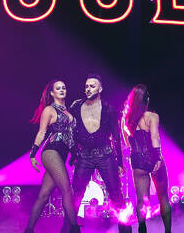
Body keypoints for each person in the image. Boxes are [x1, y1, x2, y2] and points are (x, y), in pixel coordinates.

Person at [64, 74, 131, 233]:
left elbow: (116, 137)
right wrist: (74, 153)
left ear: (100, 88)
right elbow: (70, 130)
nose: (88, 89)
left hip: (106, 155)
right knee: (76, 197)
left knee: (116, 196)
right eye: (86, 86)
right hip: (84, 156)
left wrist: (120, 163)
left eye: (92, 86)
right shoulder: (76, 106)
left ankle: (125, 230)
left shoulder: (108, 109)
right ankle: (69, 230)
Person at [25, 80, 81, 233]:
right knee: (67, 190)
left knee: (44, 195)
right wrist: (32, 155)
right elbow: (42, 132)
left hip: (61, 155)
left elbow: (72, 138)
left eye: (64, 87)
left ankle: (28, 230)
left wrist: (76, 154)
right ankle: (75, 229)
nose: (62, 90)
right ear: (52, 93)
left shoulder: (69, 112)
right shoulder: (49, 110)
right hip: (51, 152)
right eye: (58, 88)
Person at [122, 84, 171, 233]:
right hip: (153, 158)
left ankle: (142, 228)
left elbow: (126, 144)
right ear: (146, 99)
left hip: (137, 161)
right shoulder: (152, 116)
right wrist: (157, 158)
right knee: (163, 198)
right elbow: (155, 137)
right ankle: (168, 232)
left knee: (142, 200)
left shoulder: (126, 120)